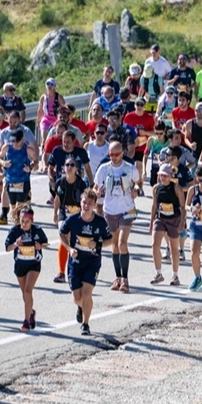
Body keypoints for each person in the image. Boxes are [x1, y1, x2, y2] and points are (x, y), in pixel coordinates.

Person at [59, 188, 112, 335]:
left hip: (92, 262)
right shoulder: (73, 220)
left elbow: (110, 240)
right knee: (77, 298)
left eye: (89, 203)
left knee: (87, 294)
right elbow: (62, 234)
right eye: (84, 202)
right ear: (80, 202)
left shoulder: (100, 222)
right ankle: (81, 307)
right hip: (75, 262)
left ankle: (85, 324)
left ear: (94, 205)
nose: (86, 205)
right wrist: (70, 249)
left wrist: (98, 244)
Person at [93, 141, 139, 293]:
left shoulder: (129, 168)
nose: (113, 157)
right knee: (114, 245)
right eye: (111, 154)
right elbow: (95, 187)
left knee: (122, 243)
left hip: (126, 209)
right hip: (110, 210)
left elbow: (137, 183)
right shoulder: (104, 169)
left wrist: (136, 190)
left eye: (116, 154)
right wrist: (97, 192)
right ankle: (117, 277)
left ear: (122, 153)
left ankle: (125, 279)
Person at [4, 207, 48, 331]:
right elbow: (7, 248)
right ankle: (31, 312)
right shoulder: (14, 231)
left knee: (28, 291)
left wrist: (40, 246)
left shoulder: (37, 230)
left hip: (34, 264)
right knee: (24, 294)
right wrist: (15, 244)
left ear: (32, 220)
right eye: (22, 221)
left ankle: (26, 321)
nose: (24, 224)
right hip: (20, 265)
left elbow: (45, 243)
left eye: (27, 221)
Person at [51, 157, 87, 284]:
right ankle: (61, 272)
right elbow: (57, 199)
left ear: (76, 168)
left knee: (77, 241)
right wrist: (55, 213)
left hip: (77, 213)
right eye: (67, 165)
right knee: (63, 235)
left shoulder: (81, 184)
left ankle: (79, 271)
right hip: (64, 212)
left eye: (72, 165)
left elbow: (85, 201)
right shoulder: (60, 182)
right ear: (63, 167)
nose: (69, 167)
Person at [149, 163, 185, 286]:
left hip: (174, 220)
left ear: (170, 176)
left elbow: (183, 207)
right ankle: (158, 273)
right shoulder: (156, 188)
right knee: (155, 245)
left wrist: (182, 222)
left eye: (165, 176)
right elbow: (154, 206)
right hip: (160, 219)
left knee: (174, 249)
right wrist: (151, 222)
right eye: (161, 175)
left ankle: (175, 275)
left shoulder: (176, 188)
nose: (163, 178)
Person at [0, 129, 35, 225]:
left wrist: (30, 167)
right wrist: (3, 163)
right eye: (13, 141)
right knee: (13, 207)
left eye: (17, 141)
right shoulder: (7, 147)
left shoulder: (28, 149)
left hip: (23, 180)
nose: (15, 143)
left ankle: (19, 226)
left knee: (19, 207)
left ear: (22, 139)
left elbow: (36, 160)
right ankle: (17, 224)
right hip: (11, 181)